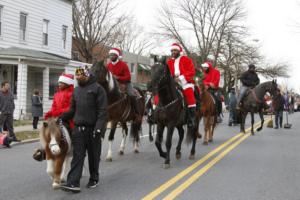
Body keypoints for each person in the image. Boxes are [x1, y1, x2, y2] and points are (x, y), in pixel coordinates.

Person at [60, 66, 107, 193]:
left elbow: (102, 111)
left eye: (80, 77)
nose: (78, 80)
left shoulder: (98, 89)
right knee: (77, 156)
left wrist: (98, 129)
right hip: (78, 130)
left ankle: (94, 178)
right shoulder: (76, 91)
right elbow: (72, 109)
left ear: (87, 76)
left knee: (93, 156)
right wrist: (62, 116)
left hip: (93, 130)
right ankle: (73, 183)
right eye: (77, 78)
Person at [33, 73, 74, 162]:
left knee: (70, 130)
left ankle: (74, 147)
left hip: (67, 117)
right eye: (59, 82)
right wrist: (50, 113)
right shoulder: (56, 94)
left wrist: (58, 113)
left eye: (61, 82)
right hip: (56, 116)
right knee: (45, 128)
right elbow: (54, 106)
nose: (59, 84)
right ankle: (45, 149)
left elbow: (70, 108)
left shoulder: (71, 94)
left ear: (67, 83)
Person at [166, 43, 197, 130]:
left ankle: (192, 118)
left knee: (189, 93)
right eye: (172, 50)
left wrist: (180, 78)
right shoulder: (169, 62)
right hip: (173, 83)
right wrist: (171, 79)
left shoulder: (186, 59)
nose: (173, 52)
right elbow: (167, 74)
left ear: (179, 51)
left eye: (175, 50)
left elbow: (191, 71)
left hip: (185, 82)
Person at [107, 47, 142, 122]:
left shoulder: (123, 65)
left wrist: (118, 77)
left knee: (131, 95)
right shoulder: (108, 65)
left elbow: (128, 77)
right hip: (113, 84)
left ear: (117, 56)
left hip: (125, 83)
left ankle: (137, 113)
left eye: (113, 55)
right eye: (110, 55)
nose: (111, 57)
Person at [201, 56, 222, 122]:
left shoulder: (216, 72)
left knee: (218, 99)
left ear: (209, 67)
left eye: (205, 67)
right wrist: (207, 84)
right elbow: (202, 81)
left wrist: (210, 84)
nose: (204, 69)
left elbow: (217, 81)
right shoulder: (203, 73)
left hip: (214, 89)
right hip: (205, 89)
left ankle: (218, 114)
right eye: (203, 67)